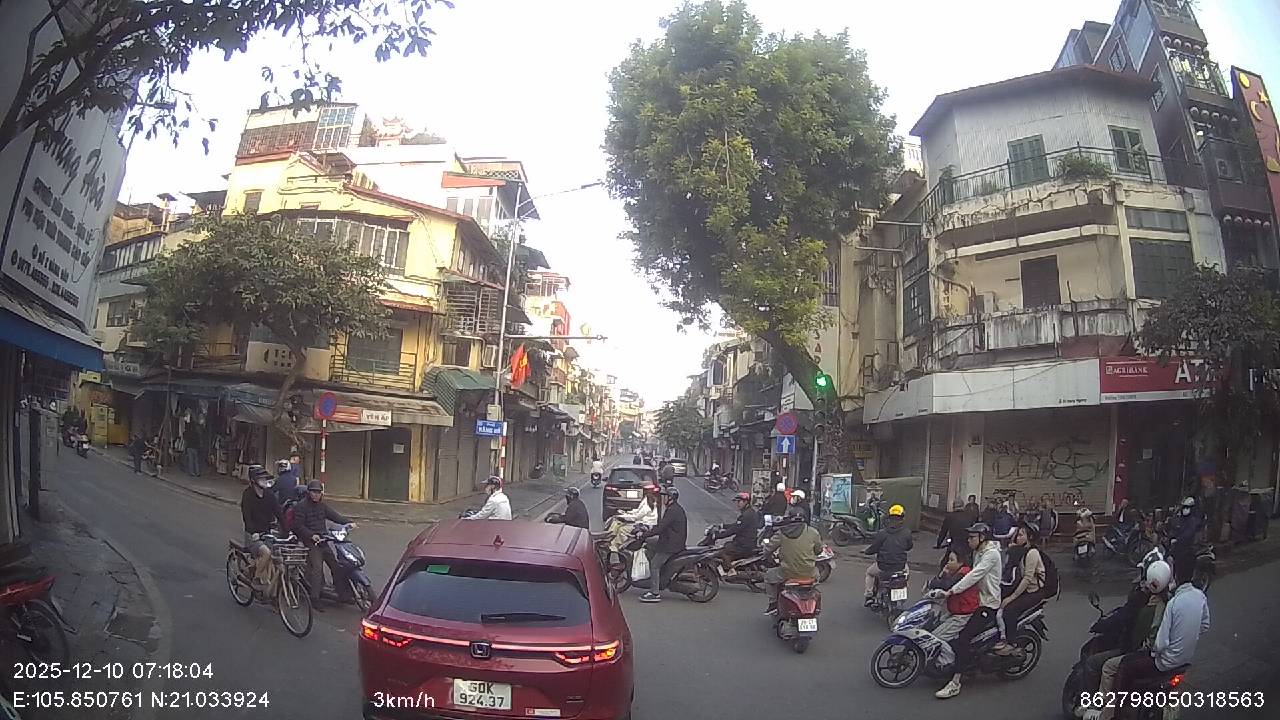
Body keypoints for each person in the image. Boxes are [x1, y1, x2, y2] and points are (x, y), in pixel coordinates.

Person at [1084, 559, 1210, 720]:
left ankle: (1110, 714)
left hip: (1162, 661)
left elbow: (1159, 643)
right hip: (1184, 660)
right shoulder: (1198, 596)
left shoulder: (1168, 604)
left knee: (1121, 666)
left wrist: (1151, 651)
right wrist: (1184, 638)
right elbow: (1205, 625)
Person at [1077, 560, 1173, 715]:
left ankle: (1097, 708)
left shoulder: (1144, 603)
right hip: (1161, 655)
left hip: (1139, 651)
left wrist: (1102, 625)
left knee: (1095, 663)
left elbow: (1125, 621)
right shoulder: (1169, 601)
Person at [934, 523, 1002, 699]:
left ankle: (955, 682)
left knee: (964, 638)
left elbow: (974, 575)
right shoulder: (978, 552)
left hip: (988, 604)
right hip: (978, 601)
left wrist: (952, 591)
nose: (969, 540)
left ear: (982, 538)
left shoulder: (991, 554)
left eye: (972, 537)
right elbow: (965, 571)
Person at [294, 480, 356, 607]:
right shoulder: (301, 506)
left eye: (318, 492)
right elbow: (298, 526)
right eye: (313, 492)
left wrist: (348, 522)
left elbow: (335, 516)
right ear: (308, 492)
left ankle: (343, 594)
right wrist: (311, 535)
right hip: (310, 542)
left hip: (323, 540)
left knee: (336, 566)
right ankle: (314, 598)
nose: (316, 495)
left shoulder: (322, 506)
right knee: (317, 569)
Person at [996, 522, 1046, 654]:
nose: (1018, 537)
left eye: (1021, 535)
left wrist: (1011, 597)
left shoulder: (1032, 553)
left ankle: (1011, 642)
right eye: (1017, 535)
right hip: (1023, 588)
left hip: (1033, 592)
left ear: (1030, 537)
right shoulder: (1020, 551)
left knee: (1009, 609)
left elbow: (1027, 579)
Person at [762, 507, 823, 615]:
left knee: (768, 576)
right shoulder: (813, 532)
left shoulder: (782, 532)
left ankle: (773, 604)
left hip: (787, 572)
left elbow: (768, 548)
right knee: (817, 575)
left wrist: (765, 555)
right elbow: (819, 550)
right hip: (809, 573)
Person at [639, 486, 687, 603]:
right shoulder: (674, 509)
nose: (663, 499)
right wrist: (649, 529)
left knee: (654, 565)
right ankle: (655, 575)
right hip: (671, 540)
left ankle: (654, 593)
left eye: (665, 496)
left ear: (671, 498)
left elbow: (661, 528)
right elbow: (662, 525)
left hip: (671, 545)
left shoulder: (672, 511)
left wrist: (644, 534)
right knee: (649, 543)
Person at [240, 467, 282, 593]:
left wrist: (289, 529)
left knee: (279, 555)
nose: (264, 481)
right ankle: (257, 578)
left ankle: (272, 589)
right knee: (266, 553)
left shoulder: (269, 495)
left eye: (265, 478)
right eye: (261, 478)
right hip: (253, 536)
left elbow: (279, 513)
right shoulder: (247, 495)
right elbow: (247, 518)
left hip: (267, 534)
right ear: (253, 481)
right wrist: (254, 532)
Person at [863, 504, 913, 606]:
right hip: (900, 566)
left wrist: (866, 551)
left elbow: (874, 548)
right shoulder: (907, 533)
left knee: (870, 573)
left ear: (889, 518)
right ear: (902, 518)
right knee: (906, 576)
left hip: (882, 566)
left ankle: (869, 595)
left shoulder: (882, 533)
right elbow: (909, 547)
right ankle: (902, 595)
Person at [927, 549, 978, 642]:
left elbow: (947, 585)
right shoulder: (955, 572)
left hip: (962, 615)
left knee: (936, 639)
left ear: (960, 562)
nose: (948, 562)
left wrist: (932, 582)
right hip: (953, 612)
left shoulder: (964, 573)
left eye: (952, 560)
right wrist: (942, 574)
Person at [712, 492, 762, 572]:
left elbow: (733, 530)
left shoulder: (747, 515)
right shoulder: (749, 512)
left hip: (743, 545)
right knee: (727, 546)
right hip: (745, 543)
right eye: (737, 502)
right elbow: (736, 525)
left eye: (739, 501)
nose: (737, 504)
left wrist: (717, 535)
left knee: (722, 552)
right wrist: (722, 526)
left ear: (745, 502)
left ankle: (731, 572)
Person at [606, 485, 660, 551]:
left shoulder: (648, 504)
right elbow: (637, 511)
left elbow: (636, 517)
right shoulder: (646, 499)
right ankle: (610, 542)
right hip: (641, 522)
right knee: (617, 524)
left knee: (622, 529)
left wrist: (623, 517)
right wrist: (626, 512)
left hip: (644, 525)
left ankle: (621, 548)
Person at [937, 499, 972, 570]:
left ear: (954, 507)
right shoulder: (969, 516)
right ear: (963, 506)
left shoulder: (949, 516)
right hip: (967, 542)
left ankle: (944, 572)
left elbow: (943, 531)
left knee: (945, 562)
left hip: (954, 542)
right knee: (969, 559)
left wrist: (939, 543)